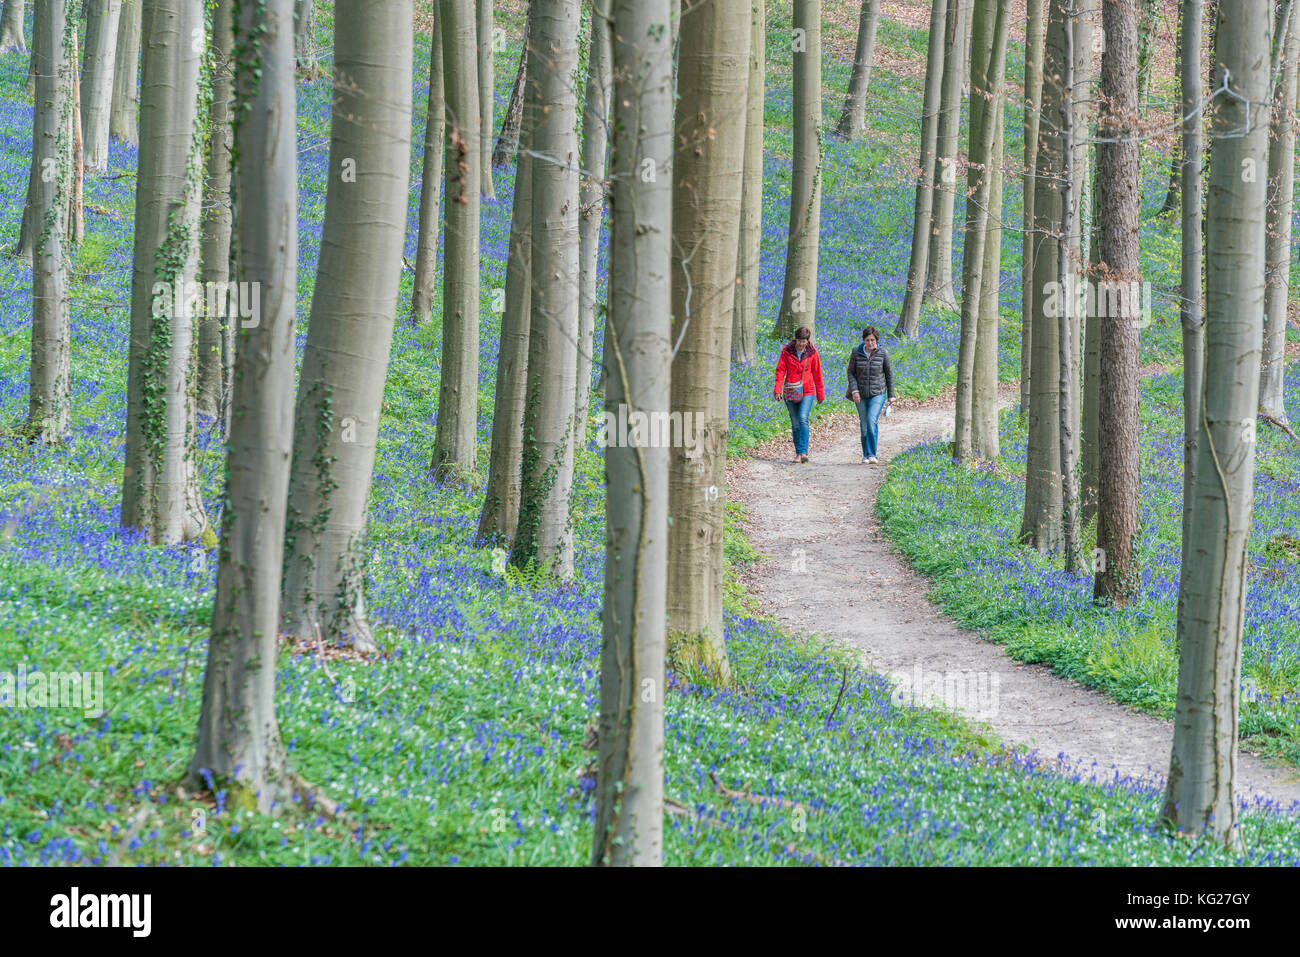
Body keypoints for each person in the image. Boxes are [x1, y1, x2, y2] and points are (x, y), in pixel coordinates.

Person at [773, 326, 825, 463]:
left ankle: (804, 452)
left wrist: (820, 394)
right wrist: (777, 389)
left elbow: (817, 374)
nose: (802, 344)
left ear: (808, 341)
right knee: (795, 423)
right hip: (791, 391)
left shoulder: (812, 353)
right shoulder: (786, 351)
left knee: (803, 418)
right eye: (800, 341)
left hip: (807, 391)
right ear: (795, 339)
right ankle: (797, 453)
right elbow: (780, 371)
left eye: (804, 341)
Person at [846, 326, 893, 464]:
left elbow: (889, 375)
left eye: (873, 340)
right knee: (865, 424)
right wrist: (854, 390)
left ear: (877, 340)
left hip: (877, 393)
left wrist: (891, 395)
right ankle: (865, 454)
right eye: (867, 340)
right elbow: (851, 373)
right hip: (860, 394)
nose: (870, 343)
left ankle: (873, 454)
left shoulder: (883, 353)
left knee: (872, 420)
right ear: (863, 340)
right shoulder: (856, 352)